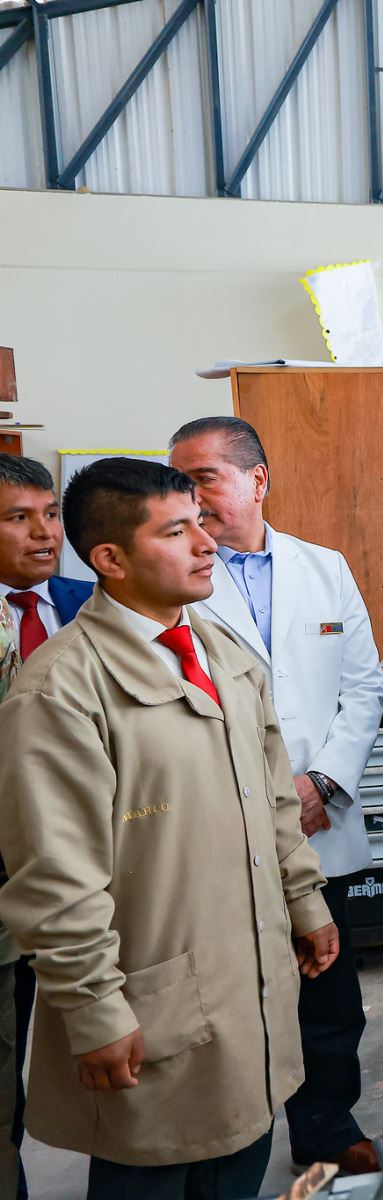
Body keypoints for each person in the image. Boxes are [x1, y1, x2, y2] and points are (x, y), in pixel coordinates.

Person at [0, 457, 337, 1199]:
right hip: (150, 1005)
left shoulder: (223, 655)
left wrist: (306, 901)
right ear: (111, 559)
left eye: (201, 524)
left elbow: (274, 798)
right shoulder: (60, 689)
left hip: (244, 987)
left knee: (241, 1155)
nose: (205, 543)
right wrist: (92, 1008)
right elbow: (57, 876)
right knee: (154, 1164)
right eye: (177, 531)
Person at [166, 417, 383, 1172]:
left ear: (258, 480)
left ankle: (327, 1131)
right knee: (234, 997)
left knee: (328, 991)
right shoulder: (176, 578)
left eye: (204, 478)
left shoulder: (324, 568)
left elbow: (362, 686)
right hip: (225, 823)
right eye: (180, 482)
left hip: (320, 817)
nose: (190, 498)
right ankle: (236, 1143)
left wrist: (323, 782)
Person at [0, 452, 94, 1199]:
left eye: (49, 515)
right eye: (16, 518)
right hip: (6, 878)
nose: (42, 534)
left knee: (92, 1038)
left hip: (87, 871)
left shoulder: (90, 603)